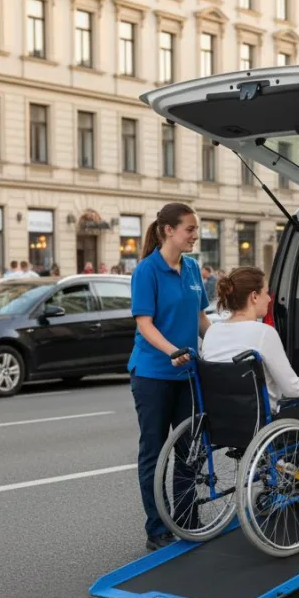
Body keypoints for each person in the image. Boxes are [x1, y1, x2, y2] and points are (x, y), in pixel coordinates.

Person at [128, 203, 212, 551]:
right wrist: (171, 351)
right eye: (190, 229)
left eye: (196, 229)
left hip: (188, 374)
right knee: (154, 451)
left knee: (189, 450)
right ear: (168, 231)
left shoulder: (192, 269)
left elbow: (201, 320)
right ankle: (156, 527)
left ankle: (187, 518)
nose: (195, 235)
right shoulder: (147, 271)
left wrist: (226, 343)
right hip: (153, 373)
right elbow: (144, 323)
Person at [201, 266, 299, 412]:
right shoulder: (264, 333)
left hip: (218, 418)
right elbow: (292, 389)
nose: (269, 298)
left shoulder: (211, 331)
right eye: (266, 293)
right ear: (254, 296)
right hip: (260, 420)